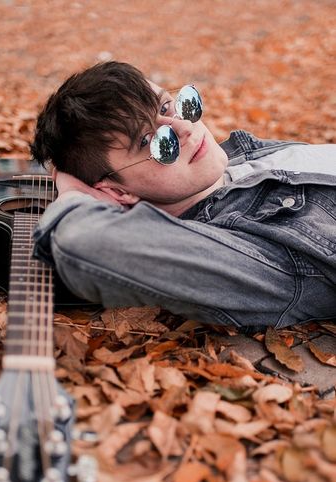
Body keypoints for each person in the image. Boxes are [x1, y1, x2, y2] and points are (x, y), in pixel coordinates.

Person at [30, 61, 336, 329]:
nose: (184, 128)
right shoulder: (245, 250)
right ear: (116, 190)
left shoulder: (241, 157)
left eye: (167, 107)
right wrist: (72, 190)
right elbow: (84, 243)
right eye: (150, 140)